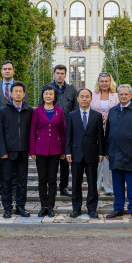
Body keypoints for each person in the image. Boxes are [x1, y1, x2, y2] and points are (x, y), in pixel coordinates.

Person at [104, 84, 132, 221]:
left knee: (131, 185)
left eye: (126, 94)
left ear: (131, 95)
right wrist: (107, 150)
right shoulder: (113, 111)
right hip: (115, 153)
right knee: (117, 185)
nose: (123, 96)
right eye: (121, 94)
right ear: (118, 95)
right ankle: (118, 208)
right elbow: (108, 132)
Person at [0, 60, 29, 198]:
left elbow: (25, 106)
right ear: (1, 71)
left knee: (15, 161)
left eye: (9, 69)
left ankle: (14, 187)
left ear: (13, 71)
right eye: (4, 69)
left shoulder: (20, 87)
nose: (7, 71)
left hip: (16, 129)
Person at [39, 64, 78, 198]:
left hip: (67, 129)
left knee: (65, 160)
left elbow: (75, 110)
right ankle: (51, 186)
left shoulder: (72, 90)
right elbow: (40, 107)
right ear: (54, 74)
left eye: (62, 73)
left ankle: (63, 186)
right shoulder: (47, 88)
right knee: (50, 160)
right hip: (51, 130)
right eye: (57, 73)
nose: (60, 75)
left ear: (65, 75)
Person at [0, 81, 33, 218]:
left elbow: (32, 132)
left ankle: (20, 206)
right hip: (8, 153)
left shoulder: (29, 111)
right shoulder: (3, 111)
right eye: (15, 91)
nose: (18, 94)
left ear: (24, 94)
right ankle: (7, 208)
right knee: (7, 181)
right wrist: (2, 151)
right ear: (11, 94)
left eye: (20, 91)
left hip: (23, 152)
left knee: (22, 181)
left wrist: (30, 149)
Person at [66, 88, 104, 219]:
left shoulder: (97, 116)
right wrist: (68, 152)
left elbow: (100, 136)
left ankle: (92, 209)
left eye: (87, 96)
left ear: (91, 99)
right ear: (77, 99)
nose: (84, 99)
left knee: (92, 183)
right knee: (76, 183)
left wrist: (101, 153)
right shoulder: (72, 115)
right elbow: (68, 135)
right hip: (76, 154)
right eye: (82, 96)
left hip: (92, 155)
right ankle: (76, 209)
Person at [30, 84, 66, 217]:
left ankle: (50, 206)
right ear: (43, 95)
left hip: (55, 150)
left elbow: (63, 132)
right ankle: (43, 206)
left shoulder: (59, 111)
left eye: (51, 93)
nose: (48, 96)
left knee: (52, 179)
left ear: (55, 96)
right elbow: (32, 132)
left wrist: (63, 150)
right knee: (42, 179)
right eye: (46, 93)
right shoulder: (37, 111)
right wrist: (32, 151)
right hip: (40, 150)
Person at [90, 72, 119, 196]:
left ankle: (109, 187)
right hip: (95, 131)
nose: (104, 83)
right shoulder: (93, 95)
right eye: (102, 81)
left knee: (108, 159)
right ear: (98, 82)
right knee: (96, 160)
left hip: (111, 130)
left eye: (106, 81)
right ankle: (95, 187)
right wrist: (97, 119)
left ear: (110, 82)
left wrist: (110, 118)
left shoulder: (116, 96)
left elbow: (119, 111)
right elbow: (88, 110)